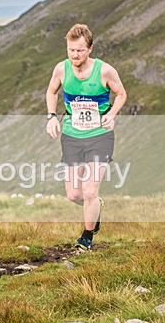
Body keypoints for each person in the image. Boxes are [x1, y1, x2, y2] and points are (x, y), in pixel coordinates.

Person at [45, 24, 127, 250]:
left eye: (80, 50)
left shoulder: (105, 71)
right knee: (74, 194)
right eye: (71, 50)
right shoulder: (61, 69)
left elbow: (121, 94)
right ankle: (95, 208)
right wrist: (52, 117)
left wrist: (111, 114)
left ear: (90, 49)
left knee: (90, 190)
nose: (74, 55)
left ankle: (87, 237)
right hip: (72, 134)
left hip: (100, 135)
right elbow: (51, 91)